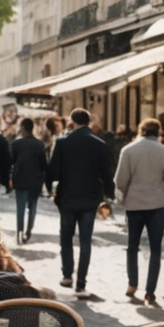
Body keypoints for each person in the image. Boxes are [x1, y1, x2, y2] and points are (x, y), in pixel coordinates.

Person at [115, 118, 164, 305]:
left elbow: (120, 180)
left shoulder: (128, 150)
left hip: (134, 204)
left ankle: (132, 284)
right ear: (158, 132)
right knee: (155, 249)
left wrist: (125, 194)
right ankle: (150, 291)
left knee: (132, 246)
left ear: (141, 130)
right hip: (156, 205)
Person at [46, 108, 113, 296]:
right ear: (88, 121)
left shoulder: (63, 143)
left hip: (67, 197)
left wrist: (50, 189)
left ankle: (67, 275)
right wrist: (109, 195)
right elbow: (107, 174)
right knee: (85, 241)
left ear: (72, 121)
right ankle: (81, 282)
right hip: (91, 198)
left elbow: (53, 172)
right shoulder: (99, 144)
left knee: (66, 237)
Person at [8, 118, 48, 245]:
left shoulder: (16, 144)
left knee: (20, 207)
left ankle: (19, 231)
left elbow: (11, 161)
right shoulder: (39, 144)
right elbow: (44, 164)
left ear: (23, 128)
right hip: (35, 180)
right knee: (33, 207)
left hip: (20, 179)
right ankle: (28, 231)